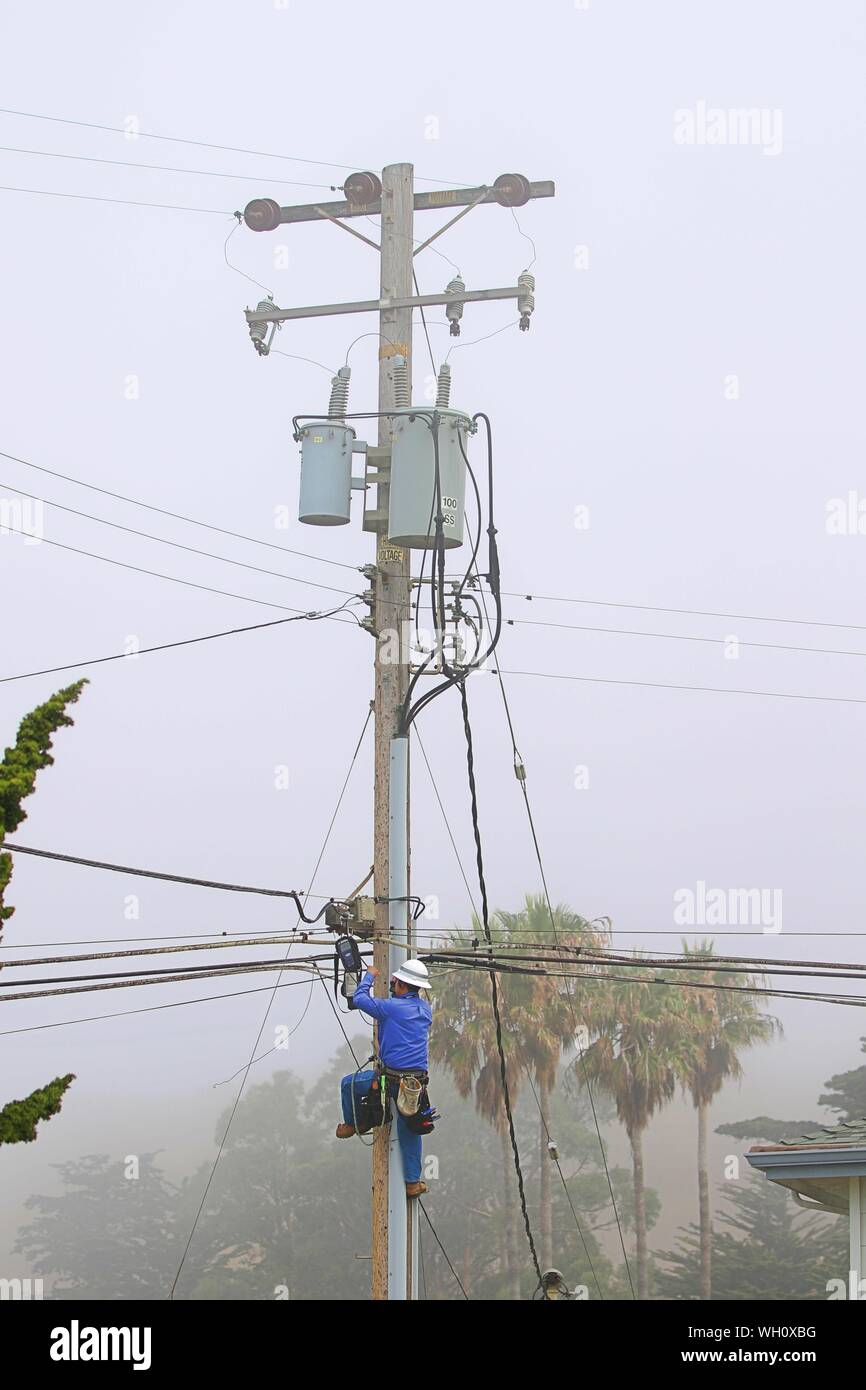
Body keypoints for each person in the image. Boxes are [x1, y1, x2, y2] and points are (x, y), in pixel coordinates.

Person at [336, 959, 432, 1198]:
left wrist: (369, 976)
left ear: (401, 984)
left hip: (391, 1079)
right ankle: (412, 1182)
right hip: (416, 1084)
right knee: (410, 1127)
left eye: (395, 981)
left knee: (348, 1084)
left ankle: (352, 1124)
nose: (392, 983)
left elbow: (359, 1000)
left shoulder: (392, 1008)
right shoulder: (424, 1010)